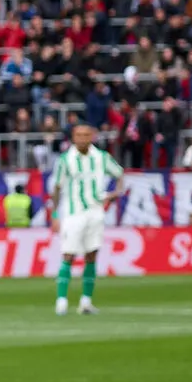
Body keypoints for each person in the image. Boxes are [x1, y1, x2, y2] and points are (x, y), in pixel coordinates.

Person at [49, 125, 123, 316]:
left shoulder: (101, 157)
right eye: (79, 135)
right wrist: (55, 214)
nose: (82, 138)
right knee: (68, 255)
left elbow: (119, 173)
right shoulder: (66, 160)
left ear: (92, 137)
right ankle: (62, 301)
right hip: (74, 214)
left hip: (95, 213)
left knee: (92, 255)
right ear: (73, 137)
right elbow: (57, 188)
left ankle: (85, 302)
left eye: (86, 135)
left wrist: (115, 193)